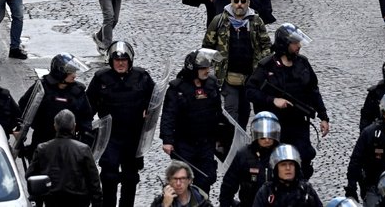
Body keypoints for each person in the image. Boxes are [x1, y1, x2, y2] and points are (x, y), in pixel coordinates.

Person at [246, 25, 329, 179]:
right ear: (285, 44)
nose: (299, 46)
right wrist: (272, 100)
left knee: (304, 159)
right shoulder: (267, 66)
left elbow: (313, 90)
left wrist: (323, 116)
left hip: (299, 123)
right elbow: (250, 91)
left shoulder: (302, 63)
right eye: (295, 43)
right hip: (276, 127)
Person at [86, 41, 155, 207]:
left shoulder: (142, 77)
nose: (121, 63)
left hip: (133, 137)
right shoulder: (101, 78)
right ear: (111, 61)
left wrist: (148, 112)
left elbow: (154, 101)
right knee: (109, 177)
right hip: (110, 137)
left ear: (130, 61)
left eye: (124, 60)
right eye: (117, 60)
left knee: (130, 178)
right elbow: (87, 105)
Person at [203, 0, 272, 127]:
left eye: (243, 1)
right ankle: (230, 141)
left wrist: (260, 65)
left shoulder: (256, 22)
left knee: (245, 110)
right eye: (236, 1)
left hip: (249, 76)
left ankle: (240, 139)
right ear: (231, 2)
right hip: (227, 75)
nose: (239, 4)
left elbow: (266, 46)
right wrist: (210, 69)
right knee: (231, 110)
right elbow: (207, 46)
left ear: (248, 2)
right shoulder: (219, 21)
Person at [160, 48, 225, 193]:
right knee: (182, 181)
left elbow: (218, 112)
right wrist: (167, 140)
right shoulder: (177, 88)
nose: (207, 71)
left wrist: (221, 137)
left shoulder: (211, 84)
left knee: (206, 178)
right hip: (184, 143)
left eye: (208, 67)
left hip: (206, 142)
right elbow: (169, 115)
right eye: (203, 68)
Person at [20, 54, 95, 157]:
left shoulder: (77, 91)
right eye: (71, 72)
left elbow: (86, 116)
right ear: (60, 72)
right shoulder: (42, 88)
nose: (74, 75)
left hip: (68, 144)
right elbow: (24, 109)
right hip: (42, 140)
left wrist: (86, 139)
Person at [26, 109, 102, 207]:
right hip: (79, 202)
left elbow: (31, 176)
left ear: (55, 126)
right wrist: (97, 203)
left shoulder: (42, 149)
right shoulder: (83, 150)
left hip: (52, 201)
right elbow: (94, 183)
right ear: (74, 126)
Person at [220, 112, 281, 207]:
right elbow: (228, 185)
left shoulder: (283, 154)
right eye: (263, 136)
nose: (267, 140)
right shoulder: (243, 155)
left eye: (270, 135)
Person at [251, 144, 322, 207]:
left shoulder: (306, 190)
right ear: (276, 169)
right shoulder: (266, 192)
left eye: (291, 164)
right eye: (283, 165)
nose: (288, 168)